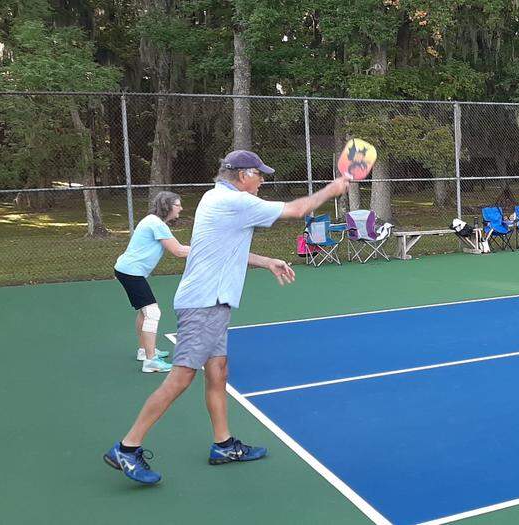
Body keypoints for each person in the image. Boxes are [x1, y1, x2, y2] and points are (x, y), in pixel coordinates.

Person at [103, 150, 351, 485]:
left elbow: (225, 249)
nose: (263, 180)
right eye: (259, 174)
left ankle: (223, 445)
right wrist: (332, 190)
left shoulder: (214, 198)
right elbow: (297, 210)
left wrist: (266, 261)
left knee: (218, 371)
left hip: (213, 303)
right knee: (180, 378)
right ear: (244, 174)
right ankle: (127, 447)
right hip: (204, 303)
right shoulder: (235, 202)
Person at [114, 191, 191, 373]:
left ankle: (144, 351)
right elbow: (178, 251)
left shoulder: (153, 221)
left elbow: (179, 249)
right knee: (152, 312)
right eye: (178, 204)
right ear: (168, 206)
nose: (181, 208)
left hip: (126, 270)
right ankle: (151, 361)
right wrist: (206, 250)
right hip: (131, 272)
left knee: (144, 311)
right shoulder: (157, 224)